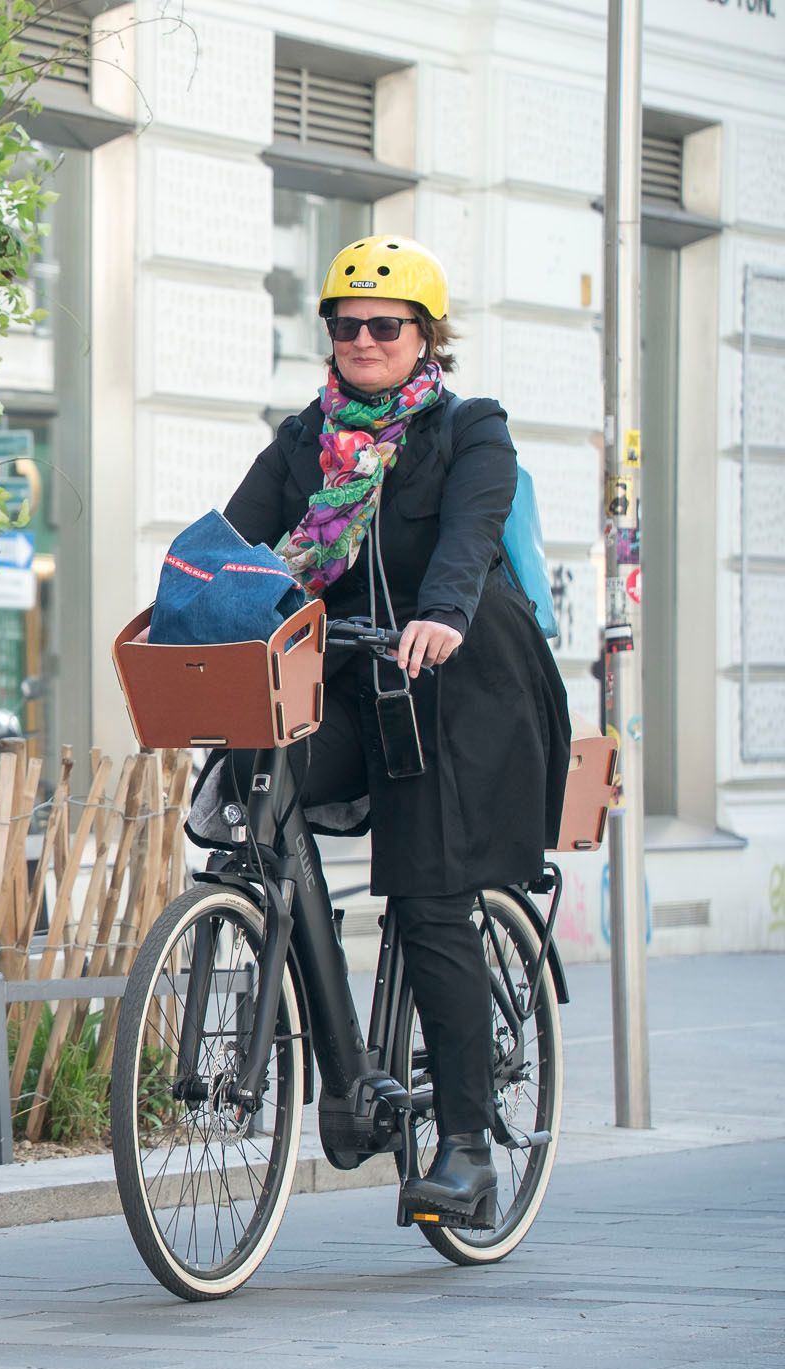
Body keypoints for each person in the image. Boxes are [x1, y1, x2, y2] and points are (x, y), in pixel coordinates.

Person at [221, 234, 572, 1225]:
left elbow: (467, 539)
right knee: (258, 797)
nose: (363, 338)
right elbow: (236, 546)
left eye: (385, 325)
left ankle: (465, 1149)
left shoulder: (469, 433)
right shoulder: (300, 444)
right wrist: (186, 601)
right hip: (346, 679)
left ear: (425, 338)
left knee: (427, 901)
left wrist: (443, 613)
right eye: (346, 325)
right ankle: (336, 1072)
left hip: (458, 688)